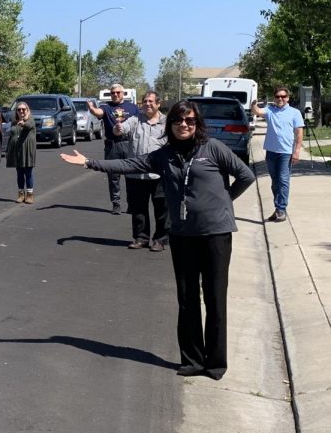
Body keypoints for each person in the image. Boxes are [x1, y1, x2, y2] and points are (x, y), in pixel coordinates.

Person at [60, 100, 255, 380]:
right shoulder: (164, 156)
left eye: (189, 121)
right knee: (187, 299)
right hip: (182, 235)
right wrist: (90, 162)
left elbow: (246, 175)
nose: (183, 125)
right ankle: (192, 360)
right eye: (178, 121)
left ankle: (215, 363)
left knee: (214, 298)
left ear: (197, 124)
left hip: (215, 235)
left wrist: (224, 202)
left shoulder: (213, 148)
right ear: (170, 125)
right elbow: (129, 164)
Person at [117, 90, 169, 251]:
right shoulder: (134, 120)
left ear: (158, 104)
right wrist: (118, 128)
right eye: (145, 101)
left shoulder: (167, 123)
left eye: (150, 101)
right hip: (136, 173)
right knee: (138, 209)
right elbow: (121, 129)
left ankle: (160, 240)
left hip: (160, 174)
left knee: (162, 209)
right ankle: (141, 238)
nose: (147, 104)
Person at [251, 86, 304, 222]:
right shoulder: (270, 110)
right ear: (274, 98)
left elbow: (299, 133)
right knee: (275, 183)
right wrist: (253, 104)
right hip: (271, 152)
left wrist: (297, 151)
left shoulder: (295, 112)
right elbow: (257, 111)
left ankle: (281, 209)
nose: (280, 99)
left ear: (288, 98)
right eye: (278, 96)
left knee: (283, 181)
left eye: (283, 96)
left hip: (286, 152)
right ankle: (278, 208)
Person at [88, 84, 140, 214]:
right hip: (112, 146)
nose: (115, 95)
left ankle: (132, 204)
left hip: (129, 144)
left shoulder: (132, 107)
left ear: (123, 93)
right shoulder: (106, 107)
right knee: (113, 176)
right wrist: (91, 109)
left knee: (132, 176)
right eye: (113, 93)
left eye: (118, 92)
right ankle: (116, 204)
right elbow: (98, 113)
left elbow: (140, 123)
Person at [5, 101, 37, 204]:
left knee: (28, 173)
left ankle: (30, 195)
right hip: (17, 151)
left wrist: (24, 121)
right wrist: (7, 151)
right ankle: (21, 194)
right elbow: (11, 136)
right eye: (19, 110)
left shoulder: (31, 120)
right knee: (19, 173)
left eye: (24, 109)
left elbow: (28, 125)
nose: (21, 111)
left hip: (28, 150)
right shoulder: (14, 122)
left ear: (27, 110)